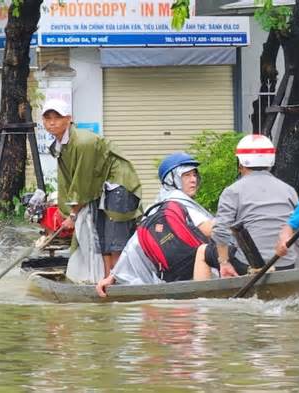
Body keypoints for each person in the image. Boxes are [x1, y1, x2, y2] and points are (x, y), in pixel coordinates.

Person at [42, 98, 142, 283]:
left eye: (57, 117)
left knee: (114, 240)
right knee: (100, 237)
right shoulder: (59, 146)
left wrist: (72, 215)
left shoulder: (82, 142)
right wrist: (64, 211)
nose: (52, 122)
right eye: (47, 118)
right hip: (99, 188)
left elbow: (83, 180)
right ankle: (103, 280)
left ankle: (120, 282)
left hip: (117, 184)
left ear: (69, 119)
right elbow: (67, 181)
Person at [95, 152, 214, 297]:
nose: (193, 180)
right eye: (186, 175)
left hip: (170, 277)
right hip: (192, 272)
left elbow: (133, 245)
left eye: (194, 175)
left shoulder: (157, 205)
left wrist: (113, 276)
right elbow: (212, 230)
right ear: (172, 179)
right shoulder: (178, 203)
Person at [207, 134, 299, 278]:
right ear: (271, 162)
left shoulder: (232, 191)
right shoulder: (288, 190)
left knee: (204, 251)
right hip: (286, 265)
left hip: (249, 266)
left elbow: (220, 231)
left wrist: (224, 263)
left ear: (240, 163)